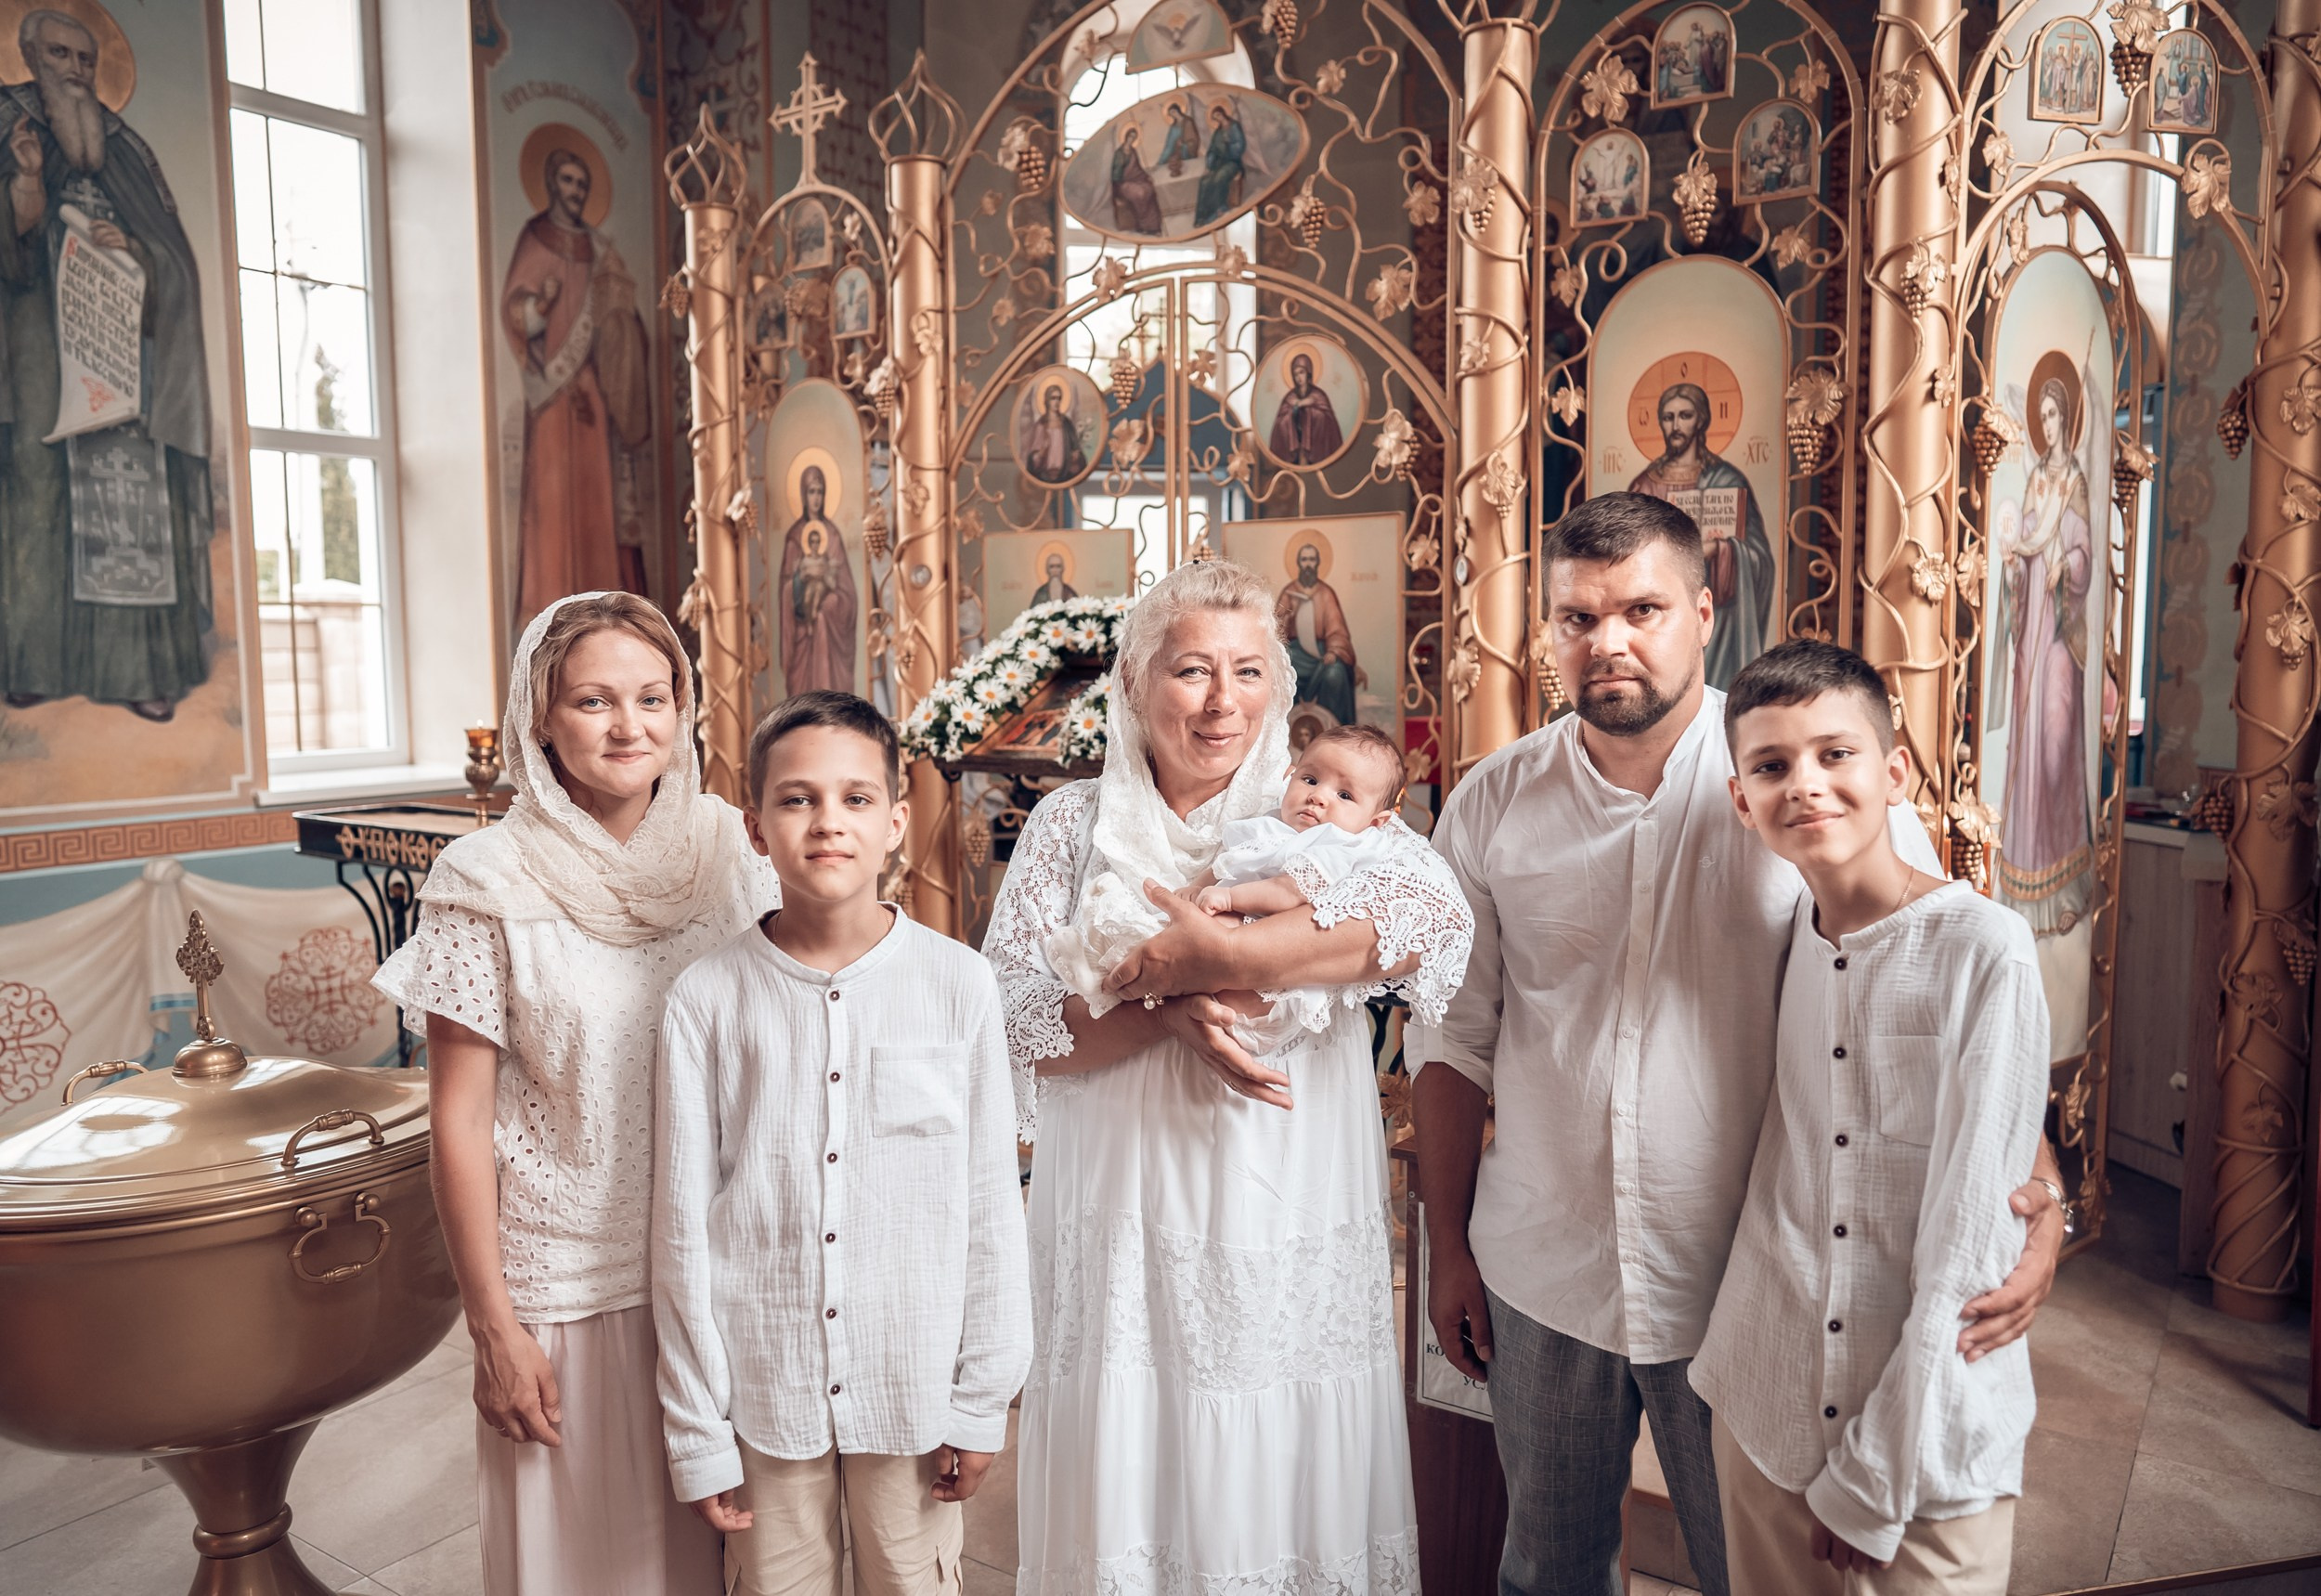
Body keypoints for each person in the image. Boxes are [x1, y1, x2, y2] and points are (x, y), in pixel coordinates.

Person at [1409, 493, 2067, 1596]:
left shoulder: (1804, 781)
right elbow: (1450, 1039)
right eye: (1575, 617)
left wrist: (2037, 1196)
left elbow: (1930, 1008)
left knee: (1744, 1574)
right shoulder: (1489, 803)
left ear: (1706, 611)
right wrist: (1448, 1250)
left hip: (1743, 1281)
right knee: (1545, 1567)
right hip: (1542, 1264)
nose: (1606, 640)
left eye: (1641, 608)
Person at [982, 557, 1473, 1593]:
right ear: (1134, 682)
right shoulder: (1070, 829)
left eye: (1250, 673)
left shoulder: (1326, 817)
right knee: (1140, 1436)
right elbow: (1017, 1020)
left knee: (1274, 1443)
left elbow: (1432, 924)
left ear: (1282, 689)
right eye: (1192, 671)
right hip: (1123, 1196)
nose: (1221, 703)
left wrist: (1224, 960)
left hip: (1280, 1189)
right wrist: (1164, 1017)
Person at [373, 592, 778, 1596]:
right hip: (571, 1289)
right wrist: (493, 1329)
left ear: (686, 706)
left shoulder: (733, 848)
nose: (630, 726)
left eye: (654, 697)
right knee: (596, 1568)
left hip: (728, 1273)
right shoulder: (486, 877)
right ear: (539, 717)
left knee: (745, 1560)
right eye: (594, 701)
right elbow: (459, 1124)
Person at [654, 692, 1031, 1596]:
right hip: (766, 1389)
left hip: (913, 1388)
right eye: (797, 799)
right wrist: (699, 1434)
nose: (828, 822)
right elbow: (679, 1233)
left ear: (897, 823)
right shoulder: (706, 1000)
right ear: (754, 826)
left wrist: (981, 1401)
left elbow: (989, 1205)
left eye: (857, 799)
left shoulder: (958, 986)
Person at [1693, 640, 2046, 1596]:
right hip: (1765, 1400)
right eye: (1770, 766)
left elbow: (1973, 1240)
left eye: (1832, 753)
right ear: (1741, 800)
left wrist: (1876, 1475)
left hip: (1927, 1447)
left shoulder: (1984, 949)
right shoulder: (1781, 942)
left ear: (1893, 772)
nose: (1803, 784)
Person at [1, 8, 216, 720]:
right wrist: (27, 187)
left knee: (135, 507)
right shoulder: (10, 126)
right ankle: (37, 658)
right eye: (60, 54)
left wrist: (133, 249)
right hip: (36, 349)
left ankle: (140, 670)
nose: (76, 71)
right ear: (31, 55)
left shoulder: (127, 149)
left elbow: (175, 261)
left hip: (126, 358)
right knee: (36, 493)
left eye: (87, 60)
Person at [1044, 720, 1411, 1066]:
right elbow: (1225, 864)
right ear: (1291, 776)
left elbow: (1289, 893)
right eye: (1310, 779)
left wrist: (1230, 899)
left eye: (1344, 794)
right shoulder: (1270, 827)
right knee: (1167, 940)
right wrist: (1196, 888)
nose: (1318, 797)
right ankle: (1099, 968)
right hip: (1232, 936)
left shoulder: (1338, 846)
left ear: (1376, 822)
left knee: (1218, 937)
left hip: (1268, 964)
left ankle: (1134, 981)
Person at [501, 147, 653, 627]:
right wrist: (539, 308)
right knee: (552, 513)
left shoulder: (601, 248)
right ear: (550, 183)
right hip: (552, 400)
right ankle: (551, 627)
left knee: (596, 512)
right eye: (567, 181)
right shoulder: (534, 237)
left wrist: (618, 323)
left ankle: (607, 626)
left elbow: (626, 322)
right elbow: (516, 315)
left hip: (591, 395)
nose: (575, 191)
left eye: (581, 183)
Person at [1996, 374, 2093, 931]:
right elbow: (2025, 538)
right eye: (2045, 416)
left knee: (2055, 740)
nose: (2051, 425)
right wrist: (2019, 562)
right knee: (2029, 737)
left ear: (2068, 420)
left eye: (2057, 415)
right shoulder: (2036, 479)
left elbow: (2080, 551)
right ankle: (2022, 878)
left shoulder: (2077, 480)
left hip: (2058, 630)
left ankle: (2059, 873)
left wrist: (2068, 564)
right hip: (2031, 623)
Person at [1627, 382, 1775, 689]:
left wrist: (1723, 550)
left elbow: (1760, 558)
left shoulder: (1728, 479)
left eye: (1685, 415)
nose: (1676, 425)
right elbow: (1626, 557)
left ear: (1702, 420)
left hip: (1722, 614)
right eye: (1668, 418)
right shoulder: (1645, 485)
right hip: (1659, 613)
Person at [779, 464, 858, 694]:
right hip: (802, 631)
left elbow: (848, 594)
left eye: (820, 491)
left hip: (828, 631)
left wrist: (828, 604)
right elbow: (785, 589)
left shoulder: (832, 535)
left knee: (826, 609)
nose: (816, 498)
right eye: (812, 491)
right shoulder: (794, 538)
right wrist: (800, 579)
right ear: (804, 495)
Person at [1274, 540, 1360, 724]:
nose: (1308, 564)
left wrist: (1334, 651)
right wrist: (1290, 615)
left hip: (1322, 652)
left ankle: (1332, 729)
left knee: (1335, 674)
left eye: (1312, 559)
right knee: (1284, 671)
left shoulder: (1326, 593)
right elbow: (1275, 630)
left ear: (1318, 563)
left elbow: (1337, 631)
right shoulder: (1289, 592)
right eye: (1304, 559)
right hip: (1294, 653)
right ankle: (1289, 731)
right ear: (1298, 563)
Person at [1266, 352, 1345, 466]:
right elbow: (1280, 423)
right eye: (1295, 374)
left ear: (1308, 373)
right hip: (1295, 449)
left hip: (1316, 448)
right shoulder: (1290, 397)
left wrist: (1309, 411)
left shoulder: (1319, 395)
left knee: (1319, 416)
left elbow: (1328, 419)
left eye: (1301, 372)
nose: (1299, 377)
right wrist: (1292, 414)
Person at [1021, 383, 1088, 487]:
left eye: (1059, 398)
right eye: (1053, 398)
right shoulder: (1041, 425)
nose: (1056, 402)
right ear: (1047, 400)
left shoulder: (1066, 424)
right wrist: (1042, 452)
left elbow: (1076, 449)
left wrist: (1076, 456)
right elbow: (1032, 459)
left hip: (1065, 472)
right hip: (1044, 473)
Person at [1194, 102, 1246, 228]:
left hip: (1233, 163)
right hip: (1218, 163)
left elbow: (1241, 145)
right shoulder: (1218, 132)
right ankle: (1201, 216)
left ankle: (1220, 208)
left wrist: (1230, 145)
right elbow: (1212, 150)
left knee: (1219, 179)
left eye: (1218, 115)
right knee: (1205, 181)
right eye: (1215, 117)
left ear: (1223, 113)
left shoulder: (1234, 127)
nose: (1218, 118)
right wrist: (1209, 166)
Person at [1109, 123, 1164, 235]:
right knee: (1140, 194)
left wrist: (1146, 176)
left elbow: (1137, 168)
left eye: (1134, 138)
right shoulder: (1119, 154)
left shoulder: (1133, 151)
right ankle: (1143, 225)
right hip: (1123, 184)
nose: (1131, 139)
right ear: (1126, 137)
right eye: (1130, 137)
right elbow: (1115, 173)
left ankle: (1154, 227)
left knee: (1150, 189)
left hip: (1136, 180)